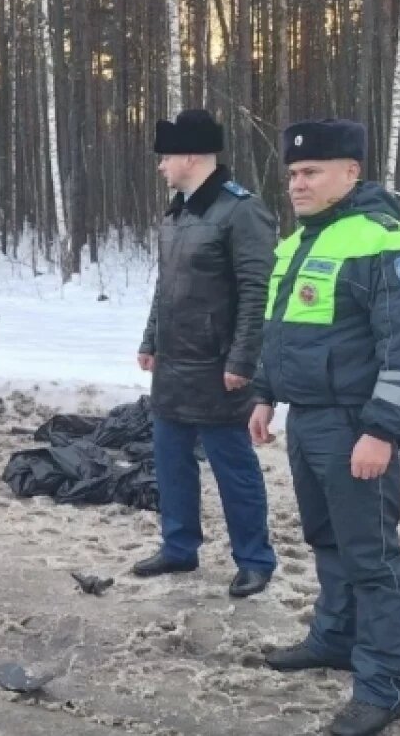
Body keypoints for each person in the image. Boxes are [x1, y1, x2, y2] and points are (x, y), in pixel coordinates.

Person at [250, 119, 400, 736]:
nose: (297, 185)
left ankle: (382, 686)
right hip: (308, 422)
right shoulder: (300, 242)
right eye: (291, 175)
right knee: (326, 541)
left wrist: (382, 431)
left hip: (355, 426)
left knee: (373, 558)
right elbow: (281, 332)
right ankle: (335, 639)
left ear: (351, 172)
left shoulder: (383, 241)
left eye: (310, 173)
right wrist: (263, 393)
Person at [135, 109, 278, 598]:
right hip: (174, 364)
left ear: (191, 156)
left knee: (232, 466)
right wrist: (150, 339)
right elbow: (165, 286)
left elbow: (258, 291)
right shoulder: (176, 213)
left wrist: (242, 361)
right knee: (171, 461)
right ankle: (179, 547)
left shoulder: (241, 211)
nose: (161, 167)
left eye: (166, 157)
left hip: (219, 368)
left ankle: (255, 559)